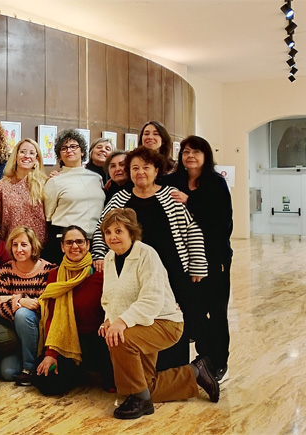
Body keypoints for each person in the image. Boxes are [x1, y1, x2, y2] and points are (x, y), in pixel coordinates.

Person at [92, 146, 207, 370]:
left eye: (146, 167)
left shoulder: (171, 195)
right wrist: (99, 255)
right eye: (135, 168)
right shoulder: (120, 198)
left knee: (170, 319)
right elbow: (101, 228)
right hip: (134, 271)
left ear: (156, 170)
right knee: (141, 320)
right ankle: (145, 377)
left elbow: (192, 230)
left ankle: (176, 375)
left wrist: (197, 265)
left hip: (173, 269)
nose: (140, 172)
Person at [97, 208, 219, 419]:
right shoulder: (109, 258)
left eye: (118, 231)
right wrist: (108, 319)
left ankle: (140, 400)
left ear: (131, 232)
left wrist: (121, 322)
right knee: (146, 385)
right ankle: (196, 372)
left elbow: (152, 299)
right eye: (108, 232)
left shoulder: (147, 254)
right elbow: (109, 297)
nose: (112, 237)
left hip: (164, 323)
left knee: (119, 339)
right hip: (140, 323)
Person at [166, 135, 233, 382]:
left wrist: (190, 201)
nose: (190, 156)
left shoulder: (216, 183)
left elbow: (222, 222)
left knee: (216, 311)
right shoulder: (173, 181)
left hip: (215, 258)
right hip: (184, 259)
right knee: (192, 310)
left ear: (206, 156)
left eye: (196, 152)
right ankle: (201, 359)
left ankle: (219, 362)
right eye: (186, 152)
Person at [32, 226, 114, 395]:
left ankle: (93, 370)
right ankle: (78, 372)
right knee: (46, 381)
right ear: (62, 247)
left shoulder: (102, 273)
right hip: (68, 340)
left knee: (114, 385)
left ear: (88, 245)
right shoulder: (55, 276)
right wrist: (51, 354)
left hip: (99, 341)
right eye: (69, 242)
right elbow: (53, 317)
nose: (75, 246)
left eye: (79, 242)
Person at [0, 226, 55, 385]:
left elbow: (41, 306)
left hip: (40, 330)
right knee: (8, 373)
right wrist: (20, 300)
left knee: (23, 314)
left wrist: (10, 299)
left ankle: (29, 369)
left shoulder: (48, 270)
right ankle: (27, 362)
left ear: (33, 247)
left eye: (24, 244)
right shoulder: (5, 270)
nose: (18, 249)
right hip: (17, 333)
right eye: (15, 245)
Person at [42, 129, 105, 265]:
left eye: (73, 146)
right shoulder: (55, 181)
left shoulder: (97, 178)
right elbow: (49, 215)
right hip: (67, 242)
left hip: (96, 242)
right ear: (59, 155)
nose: (69, 150)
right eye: (64, 148)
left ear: (82, 151)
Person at [0, 138, 48, 247]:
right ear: (15, 156)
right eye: (22, 152)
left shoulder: (45, 184)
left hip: (38, 248)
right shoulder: (1, 186)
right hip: (11, 248)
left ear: (37, 159)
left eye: (31, 153)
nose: (27, 156)